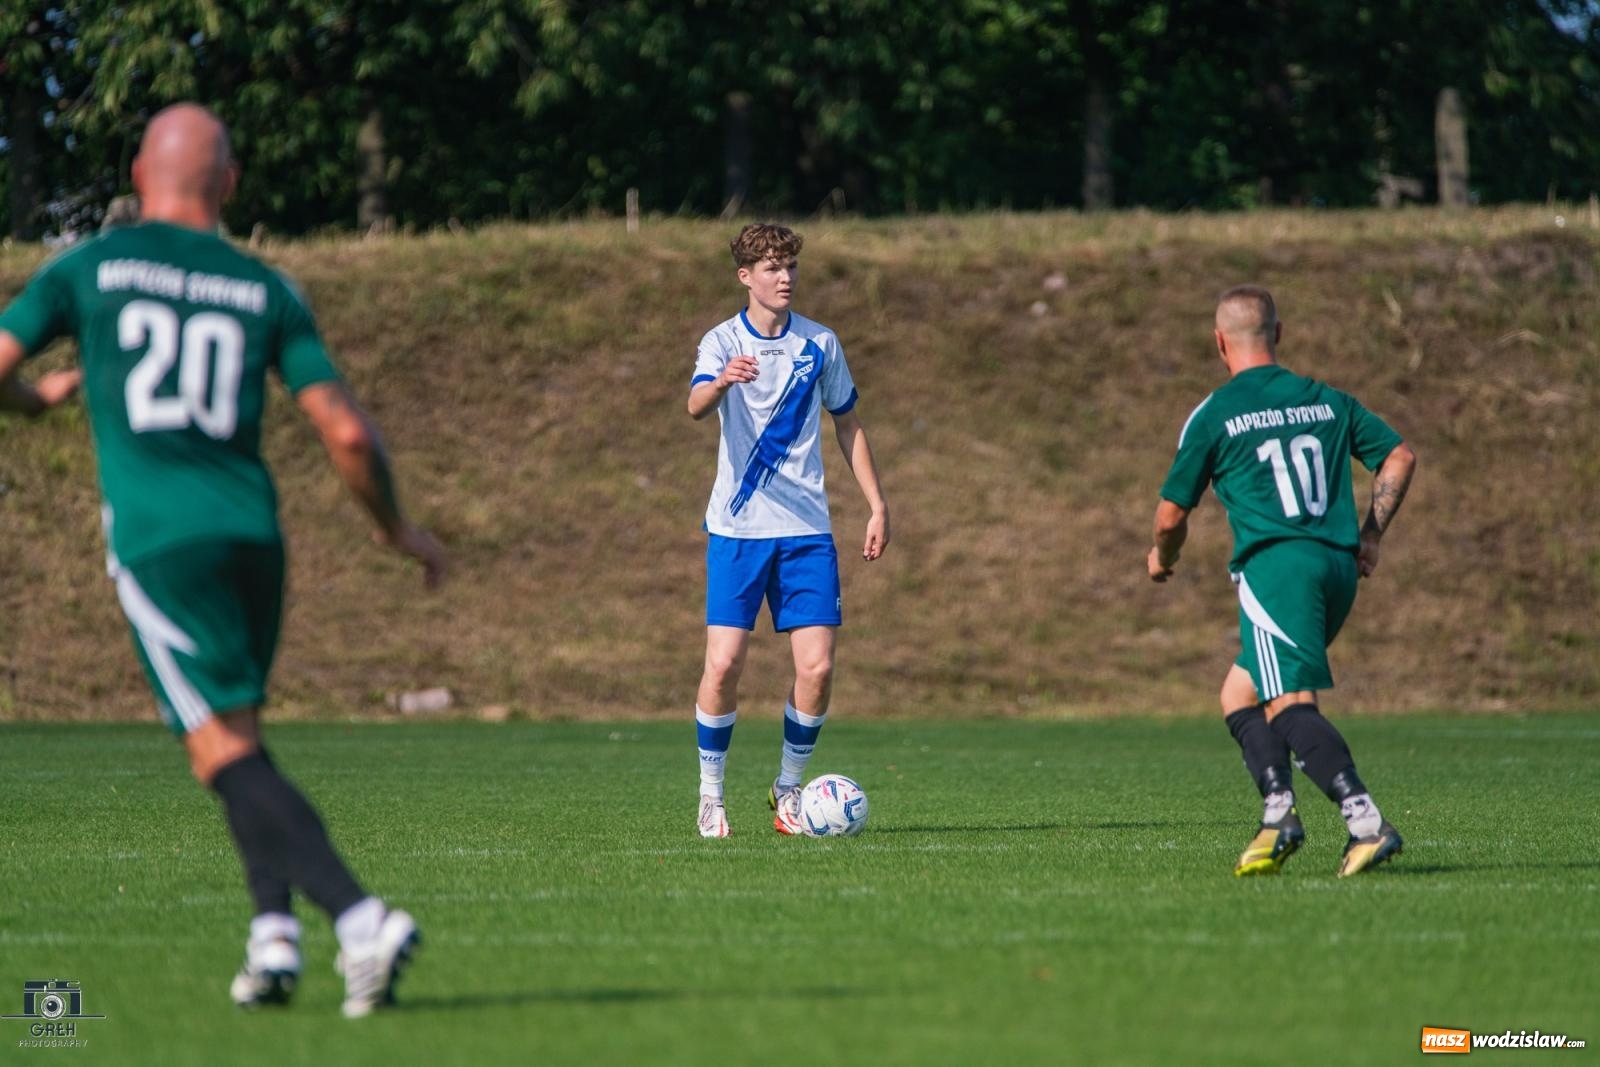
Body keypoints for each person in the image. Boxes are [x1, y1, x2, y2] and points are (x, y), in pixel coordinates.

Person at [0, 103, 446, 1015]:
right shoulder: (266, 287)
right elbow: (348, 432)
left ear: (136, 176)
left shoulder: (86, 269)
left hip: (161, 542)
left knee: (217, 752)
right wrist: (396, 529)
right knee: (238, 736)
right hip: (255, 539)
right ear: (231, 184)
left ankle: (361, 919)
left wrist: (34, 402)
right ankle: (272, 940)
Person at [1147, 285, 1416, 877]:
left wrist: (1161, 558)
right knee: (1240, 694)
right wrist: (1371, 534)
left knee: (1290, 704)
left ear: (1219, 341)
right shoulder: (1327, 401)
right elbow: (1398, 456)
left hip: (1277, 570)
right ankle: (1277, 816)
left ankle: (1366, 822)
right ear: (1279, 333)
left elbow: (1171, 516)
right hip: (1337, 569)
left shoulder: (1216, 412)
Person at [687, 223, 889, 838]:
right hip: (738, 531)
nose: (785, 278)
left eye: (791, 267)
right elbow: (695, 405)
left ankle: (787, 791)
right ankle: (711, 794)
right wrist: (723, 381)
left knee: (819, 669)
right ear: (745, 277)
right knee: (722, 666)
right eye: (772, 268)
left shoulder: (820, 344)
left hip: (806, 532)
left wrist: (877, 505)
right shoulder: (720, 341)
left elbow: (848, 424)